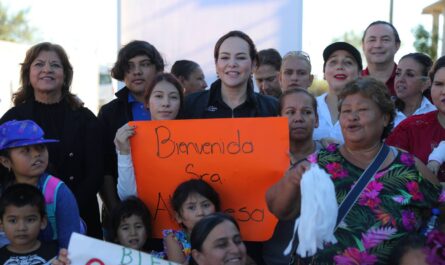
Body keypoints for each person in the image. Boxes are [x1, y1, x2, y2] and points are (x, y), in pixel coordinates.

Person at [266, 77, 441, 264]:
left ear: (385, 117)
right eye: (346, 111)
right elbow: (278, 209)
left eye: (362, 110)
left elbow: (441, 213)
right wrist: (291, 180)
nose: (352, 116)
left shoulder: (410, 167)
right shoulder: (319, 163)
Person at [0, 42, 103, 239]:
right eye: (39, 64)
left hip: (80, 216)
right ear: (28, 74)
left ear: (65, 75)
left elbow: (96, 172)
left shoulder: (85, 117)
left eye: (55, 65)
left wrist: (65, 209)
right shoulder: (12, 118)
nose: (47, 69)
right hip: (24, 221)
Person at [97, 40, 164, 239]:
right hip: (122, 221)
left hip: (171, 215)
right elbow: (104, 168)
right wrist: (117, 213)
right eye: (129, 66)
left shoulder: (177, 106)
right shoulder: (110, 113)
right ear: (121, 72)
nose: (137, 72)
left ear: (157, 68)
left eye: (144, 64)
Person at [0, 119, 83, 248]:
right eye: (26, 150)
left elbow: (70, 246)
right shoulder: (2, 193)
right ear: (6, 162)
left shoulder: (58, 192)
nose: (37, 154)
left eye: (41, 147)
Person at [262, 88, 323, 265]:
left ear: (317, 120)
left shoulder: (334, 158)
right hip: (276, 258)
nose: (298, 118)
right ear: (277, 120)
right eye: (290, 112)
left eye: (306, 112)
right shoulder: (263, 159)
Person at [116, 73, 183, 199]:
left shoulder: (194, 140)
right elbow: (127, 196)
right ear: (147, 102)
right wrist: (124, 152)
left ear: (180, 104)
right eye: (158, 96)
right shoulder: (129, 138)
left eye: (173, 97)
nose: (166, 103)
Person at [182, 30, 278, 119]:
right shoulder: (190, 104)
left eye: (241, 58)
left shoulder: (272, 107)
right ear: (216, 64)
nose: (232, 64)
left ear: (253, 64)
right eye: (225, 57)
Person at [386, 55, 445, 181]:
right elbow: (389, 178)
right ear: (431, 84)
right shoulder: (408, 127)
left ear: (426, 83)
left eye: (410, 74)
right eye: (439, 84)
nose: (444, 91)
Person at [313, 42, 362, 143]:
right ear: (324, 73)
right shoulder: (310, 106)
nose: (339, 66)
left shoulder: (368, 109)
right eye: (333, 62)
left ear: (359, 74)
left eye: (348, 62)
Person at [161, 179, 220, 264]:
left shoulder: (223, 235)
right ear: (178, 217)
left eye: (206, 205)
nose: (200, 213)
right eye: (191, 207)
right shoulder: (174, 239)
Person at [0, 184, 58, 264]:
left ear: (43, 222)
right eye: (13, 221)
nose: (21, 228)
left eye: (30, 220)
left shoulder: (56, 255)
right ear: (1, 224)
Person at [393, 53, 436, 127]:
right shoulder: (385, 111)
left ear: (426, 82)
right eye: (398, 73)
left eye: (410, 74)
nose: (400, 79)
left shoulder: (435, 113)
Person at [362, 20, 401, 96]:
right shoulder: (353, 82)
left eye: (385, 39)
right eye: (372, 40)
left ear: (397, 45)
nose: (378, 45)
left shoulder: (410, 82)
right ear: (363, 45)